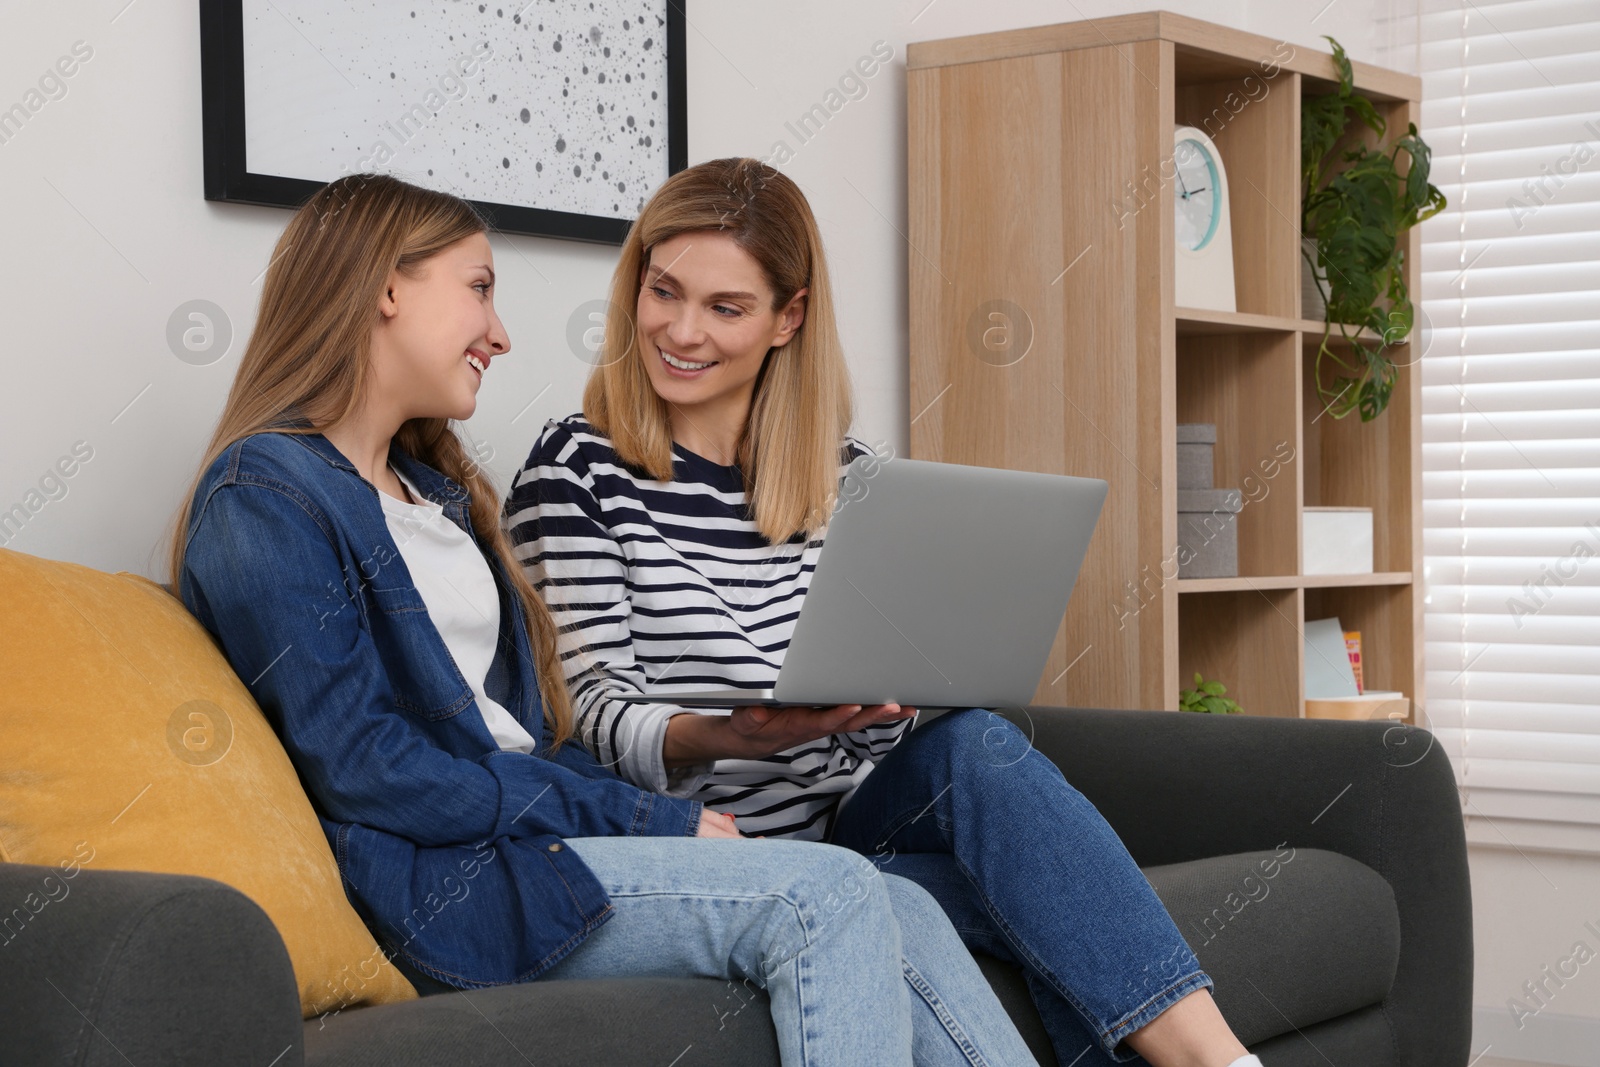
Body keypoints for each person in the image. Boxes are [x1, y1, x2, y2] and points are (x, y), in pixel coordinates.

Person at [169, 172, 1044, 1067]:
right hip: (452, 882)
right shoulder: (267, 496)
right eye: (479, 288)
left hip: (532, 841)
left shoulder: (429, 493)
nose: (501, 332)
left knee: (895, 896)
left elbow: (528, 731)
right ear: (388, 287)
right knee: (825, 897)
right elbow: (369, 770)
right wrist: (645, 818)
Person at [505, 157, 1266, 1067]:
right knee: (1024, 913)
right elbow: (579, 716)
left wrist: (878, 713)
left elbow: (856, 742)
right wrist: (725, 734)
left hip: (843, 832)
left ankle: (1221, 1060)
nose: (680, 329)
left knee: (975, 743)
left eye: (725, 307)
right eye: (662, 291)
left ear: (790, 318)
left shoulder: (848, 473)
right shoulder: (577, 470)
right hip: (699, 856)